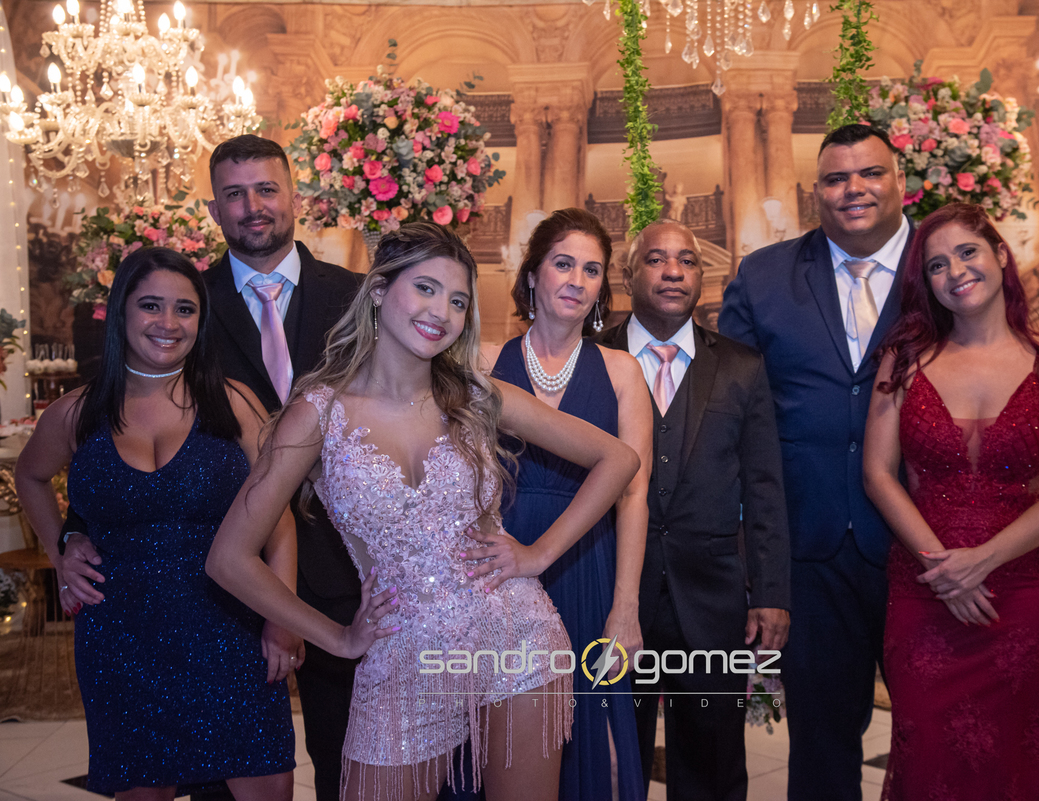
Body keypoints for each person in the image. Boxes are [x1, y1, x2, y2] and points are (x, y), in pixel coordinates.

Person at [205, 222, 641, 801]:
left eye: (458, 301)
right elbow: (229, 558)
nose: (442, 311)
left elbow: (618, 458)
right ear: (379, 290)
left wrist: (538, 555)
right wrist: (337, 638)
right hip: (402, 655)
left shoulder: (476, 395)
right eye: (426, 288)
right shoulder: (318, 413)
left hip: (516, 638)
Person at [718, 123, 1039, 800]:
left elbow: (1017, 386)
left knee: (949, 734)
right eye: (835, 178)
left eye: (870, 173)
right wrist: (738, 541)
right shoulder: (764, 277)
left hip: (935, 551)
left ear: (901, 181)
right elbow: (727, 413)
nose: (853, 189)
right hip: (810, 545)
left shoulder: (944, 261)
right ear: (815, 191)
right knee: (822, 743)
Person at [58, 134, 363, 801]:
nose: (253, 206)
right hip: (223, 585)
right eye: (234, 193)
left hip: (346, 563)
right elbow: (114, 441)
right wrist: (72, 533)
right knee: (223, 776)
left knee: (353, 763)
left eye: (266, 189)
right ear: (214, 208)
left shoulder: (358, 297)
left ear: (295, 196)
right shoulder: (183, 298)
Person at [15, 248, 296, 801]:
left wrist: (282, 621)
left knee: (265, 784)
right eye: (151, 305)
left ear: (201, 320)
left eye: (184, 309)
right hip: (121, 640)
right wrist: (61, 550)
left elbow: (280, 520)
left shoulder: (234, 403)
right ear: (122, 310)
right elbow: (30, 476)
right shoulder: (75, 412)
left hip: (231, 631)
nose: (168, 322)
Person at [862, 203, 1039, 799]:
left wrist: (981, 561)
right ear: (927, 283)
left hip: (1024, 595)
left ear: (1001, 255)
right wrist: (944, 570)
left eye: (968, 252)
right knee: (930, 758)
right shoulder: (903, 360)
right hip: (925, 589)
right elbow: (878, 475)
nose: (956, 271)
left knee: (1025, 761)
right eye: (937, 265)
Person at [595, 219, 790, 801]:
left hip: (711, 596)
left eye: (687, 260)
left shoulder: (741, 366)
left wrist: (771, 592)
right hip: (609, 592)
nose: (674, 272)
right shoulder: (590, 357)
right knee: (608, 755)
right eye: (656, 259)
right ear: (628, 274)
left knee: (713, 760)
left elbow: (764, 487)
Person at [488, 207, 651, 801]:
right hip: (500, 572)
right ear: (533, 273)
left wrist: (625, 607)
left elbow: (634, 494)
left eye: (591, 270)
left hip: (588, 568)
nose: (577, 281)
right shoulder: (483, 361)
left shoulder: (622, 372)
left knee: (600, 746)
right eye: (563, 264)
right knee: (505, 745)